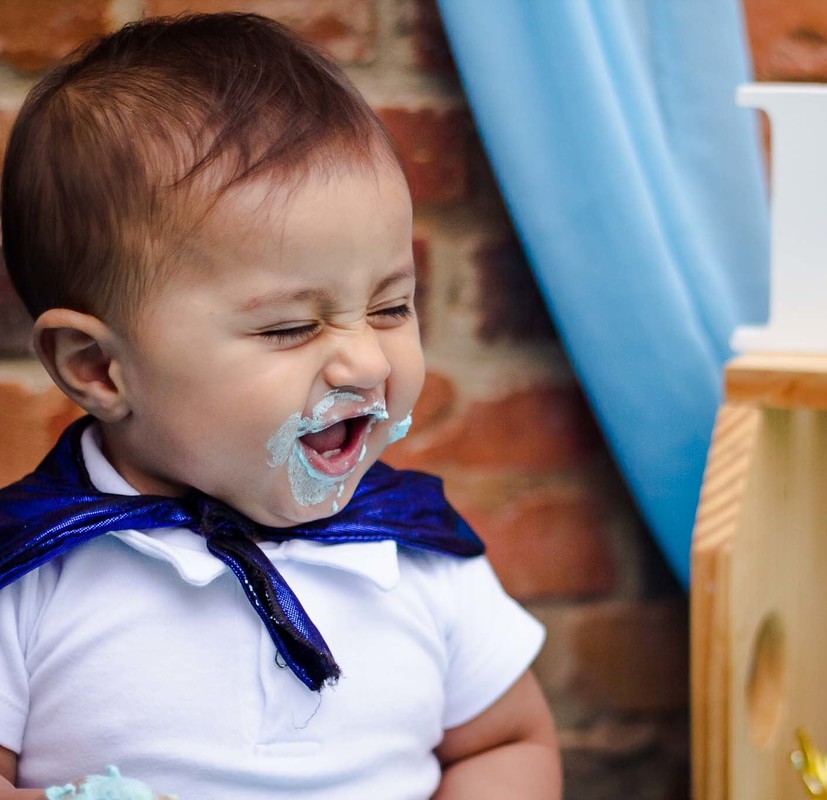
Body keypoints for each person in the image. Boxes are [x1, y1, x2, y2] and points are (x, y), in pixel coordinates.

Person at [0, 13, 560, 800]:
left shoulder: (419, 558)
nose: (366, 360)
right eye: (290, 326)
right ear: (99, 367)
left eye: (393, 308)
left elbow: (507, 742)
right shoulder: (31, 576)